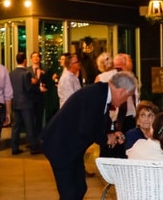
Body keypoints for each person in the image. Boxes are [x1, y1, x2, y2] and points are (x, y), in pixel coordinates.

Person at [42, 70, 137, 200]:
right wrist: (105, 138)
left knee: (80, 188)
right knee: (70, 193)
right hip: (60, 146)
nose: (125, 101)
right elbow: (87, 127)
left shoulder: (102, 93)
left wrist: (111, 133)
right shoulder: (95, 95)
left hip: (70, 147)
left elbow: (101, 119)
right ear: (122, 91)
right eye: (127, 97)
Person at [9, 52, 40, 155]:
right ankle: (34, 147)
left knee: (16, 126)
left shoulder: (12, 73)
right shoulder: (26, 73)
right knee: (29, 125)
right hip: (26, 103)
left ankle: (14, 147)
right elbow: (28, 88)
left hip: (16, 102)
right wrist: (34, 83)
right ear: (25, 60)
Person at [29, 51, 48, 140]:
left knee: (39, 118)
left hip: (40, 98)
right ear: (31, 59)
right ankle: (32, 138)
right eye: (34, 56)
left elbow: (46, 83)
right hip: (31, 98)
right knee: (31, 119)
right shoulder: (27, 71)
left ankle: (39, 136)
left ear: (39, 58)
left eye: (37, 56)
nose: (36, 58)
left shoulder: (44, 70)